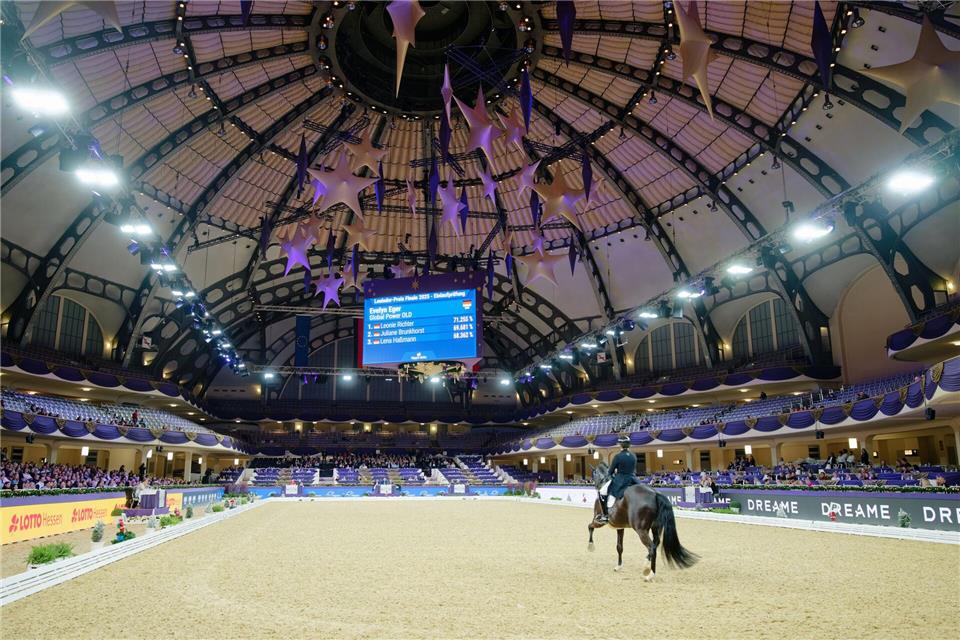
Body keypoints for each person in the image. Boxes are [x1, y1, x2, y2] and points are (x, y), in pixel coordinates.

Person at [595, 435, 638, 524]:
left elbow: (610, 472)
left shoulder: (618, 456)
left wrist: (614, 472)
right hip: (633, 479)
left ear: (620, 445)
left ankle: (605, 516)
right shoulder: (633, 456)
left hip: (621, 480)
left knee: (602, 492)